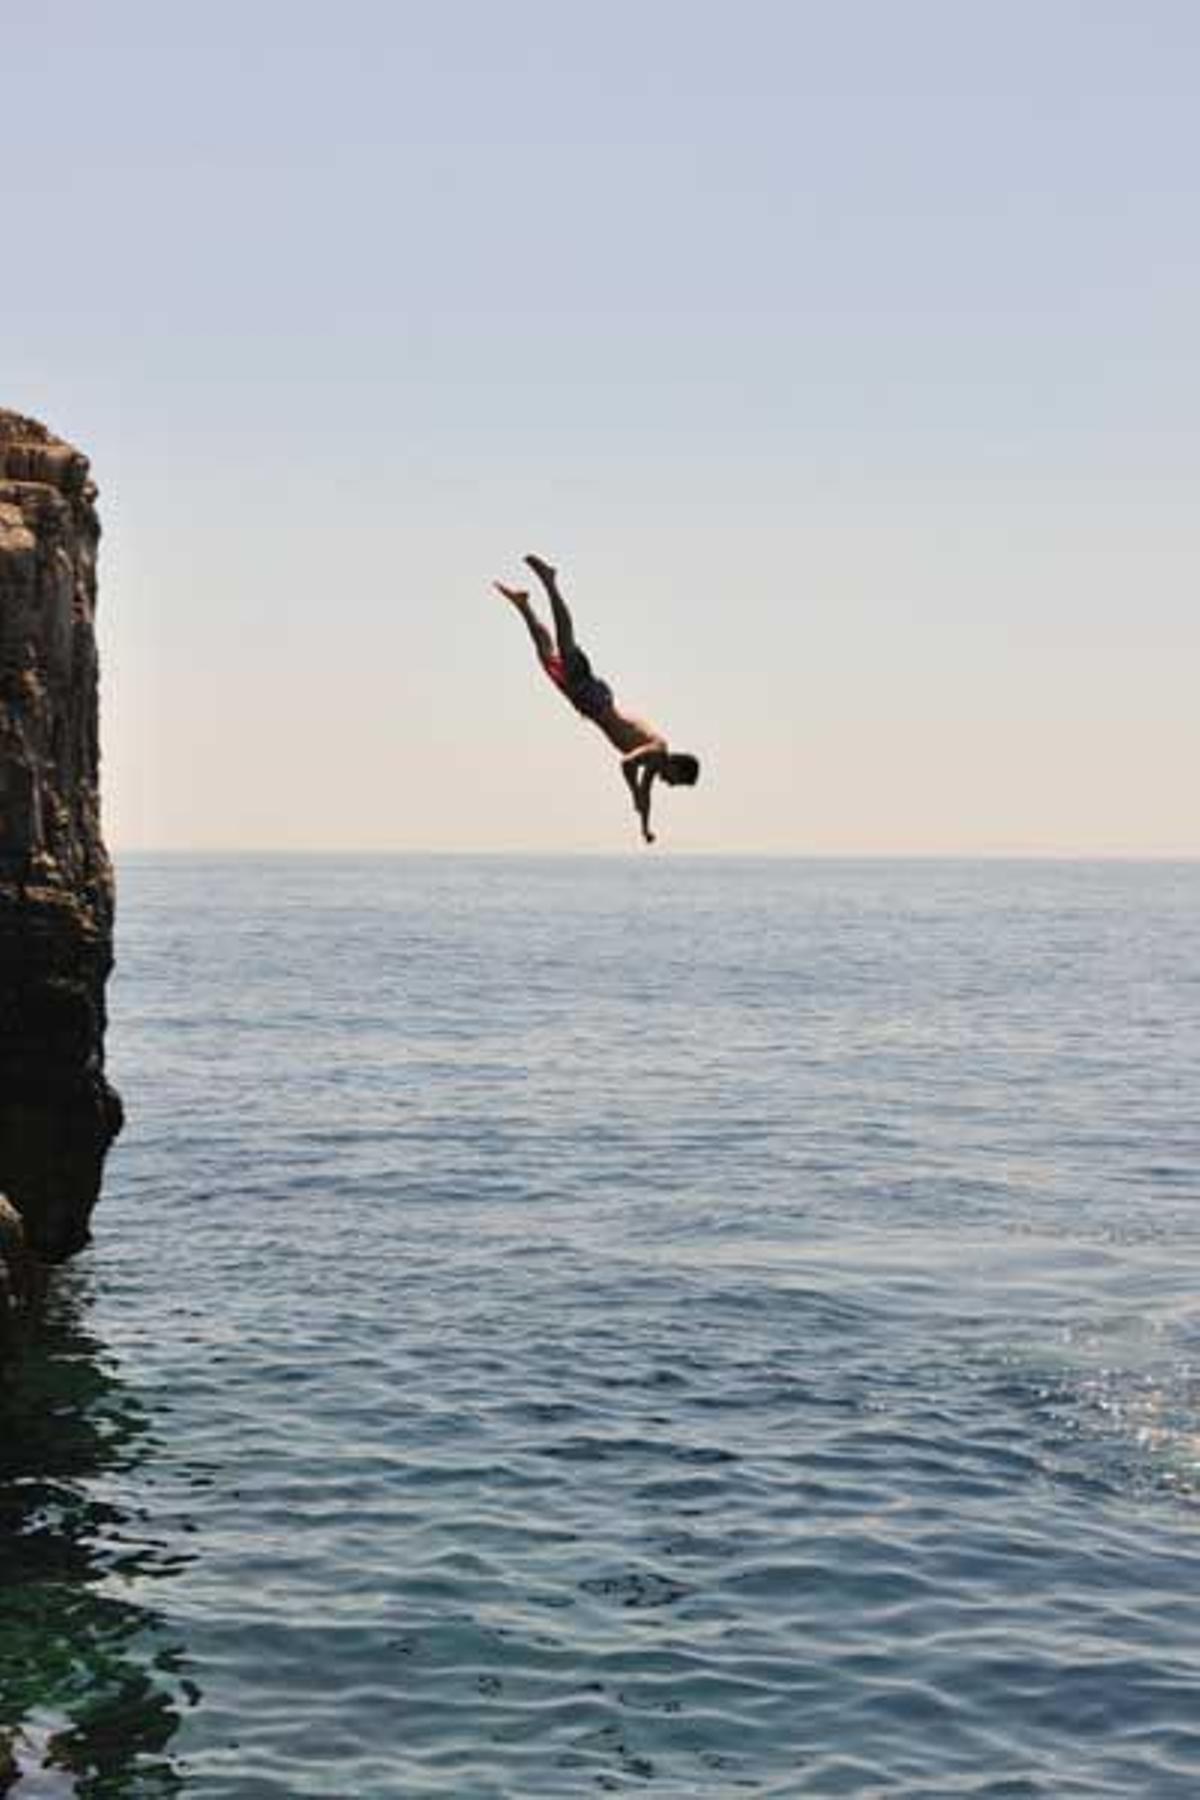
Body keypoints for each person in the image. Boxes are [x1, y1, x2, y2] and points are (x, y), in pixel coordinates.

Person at [495, 554, 700, 845]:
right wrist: (634, 793)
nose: (669, 783)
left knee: (548, 656)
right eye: (675, 780)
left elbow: (647, 793)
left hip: (593, 703)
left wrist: (644, 825)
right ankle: (550, 583)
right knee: (566, 646)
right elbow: (627, 763)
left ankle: (524, 605)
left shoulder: (656, 761)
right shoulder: (657, 751)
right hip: (595, 702)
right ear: (676, 766)